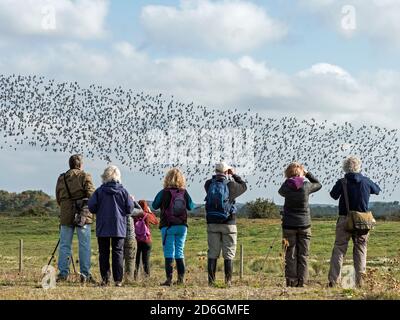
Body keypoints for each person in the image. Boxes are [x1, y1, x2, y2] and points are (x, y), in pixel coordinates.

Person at [328, 156, 381, 288]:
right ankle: (360, 282)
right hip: (362, 221)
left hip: (345, 218)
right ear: (359, 167)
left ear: (345, 168)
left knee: (339, 249)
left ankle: (334, 281)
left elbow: (333, 195)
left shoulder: (342, 182)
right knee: (361, 250)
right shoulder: (366, 181)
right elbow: (377, 190)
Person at [88, 165, 139, 287]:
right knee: (118, 252)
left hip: (103, 226)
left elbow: (91, 207)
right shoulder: (123, 192)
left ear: (104, 176)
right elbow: (130, 209)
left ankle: (105, 279)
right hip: (119, 226)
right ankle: (118, 280)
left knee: (104, 253)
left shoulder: (99, 191)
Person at [278, 162, 322, 287]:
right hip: (304, 224)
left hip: (289, 224)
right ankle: (302, 281)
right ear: (301, 172)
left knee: (290, 254)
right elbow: (319, 184)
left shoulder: (286, 186)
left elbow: (280, 192)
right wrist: (307, 174)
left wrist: (288, 179)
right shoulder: (306, 185)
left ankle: (291, 281)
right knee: (303, 254)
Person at [204, 161, 247, 287]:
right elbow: (244, 186)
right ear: (227, 171)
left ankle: (211, 282)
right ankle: (228, 282)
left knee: (212, 252)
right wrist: (234, 175)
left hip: (212, 222)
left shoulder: (208, 184)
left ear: (215, 171)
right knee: (229, 253)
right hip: (229, 222)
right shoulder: (232, 186)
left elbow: (212, 185)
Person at [55, 154, 95, 283]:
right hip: (83, 214)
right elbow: (91, 195)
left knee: (65, 244)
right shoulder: (85, 176)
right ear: (80, 165)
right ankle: (85, 274)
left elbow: (58, 197)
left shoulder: (62, 177)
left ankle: (63, 274)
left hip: (66, 212)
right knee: (84, 245)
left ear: (69, 164)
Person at [152, 168, 195, 286]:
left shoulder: (163, 192)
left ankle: (169, 280)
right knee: (179, 252)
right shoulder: (184, 192)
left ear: (167, 178)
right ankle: (181, 280)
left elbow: (154, 205)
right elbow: (191, 206)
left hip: (168, 226)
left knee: (169, 253)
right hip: (182, 226)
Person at [134, 200, 159, 280]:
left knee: (136, 260)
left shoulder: (135, 215)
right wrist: (150, 212)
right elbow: (156, 222)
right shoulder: (147, 215)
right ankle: (146, 278)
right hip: (147, 240)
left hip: (136, 240)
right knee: (146, 260)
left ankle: (134, 277)